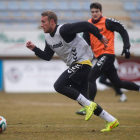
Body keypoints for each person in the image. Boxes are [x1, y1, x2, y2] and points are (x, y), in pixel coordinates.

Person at [26, 10, 119, 132]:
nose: (41, 24)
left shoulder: (64, 30)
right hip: (77, 66)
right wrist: (34, 49)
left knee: (59, 85)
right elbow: (47, 56)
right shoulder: (48, 38)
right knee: (84, 100)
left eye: (43, 22)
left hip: (83, 63)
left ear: (52, 21)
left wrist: (100, 36)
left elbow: (86, 25)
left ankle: (90, 105)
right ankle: (112, 120)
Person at [76, 2, 140, 116]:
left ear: (101, 12)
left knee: (91, 77)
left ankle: (89, 106)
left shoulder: (107, 21)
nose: (94, 14)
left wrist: (126, 46)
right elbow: (86, 43)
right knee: (118, 83)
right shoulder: (88, 24)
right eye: (92, 12)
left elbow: (122, 30)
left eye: (97, 12)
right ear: (90, 12)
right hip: (100, 57)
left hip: (107, 55)